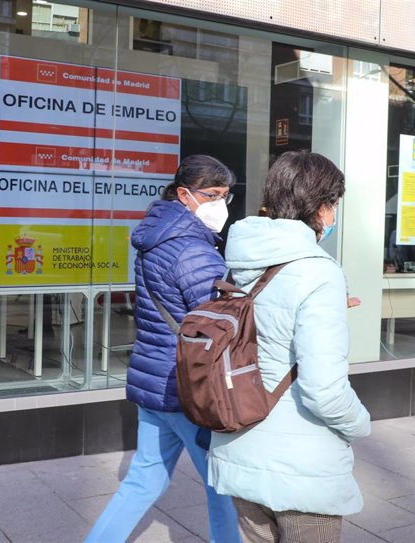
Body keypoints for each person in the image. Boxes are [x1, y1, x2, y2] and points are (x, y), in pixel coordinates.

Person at [208, 150, 371, 543]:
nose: (333, 216)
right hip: (300, 469)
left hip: (240, 450)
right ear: (319, 207)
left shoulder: (242, 260)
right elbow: (324, 391)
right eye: (333, 205)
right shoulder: (318, 272)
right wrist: (361, 423)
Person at [85, 155, 241, 543]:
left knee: (143, 479)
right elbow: (217, 320)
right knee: (222, 486)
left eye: (226, 195)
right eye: (213, 195)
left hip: (153, 380)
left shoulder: (156, 237)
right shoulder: (192, 249)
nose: (221, 204)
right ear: (185, 194)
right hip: (189, 388)